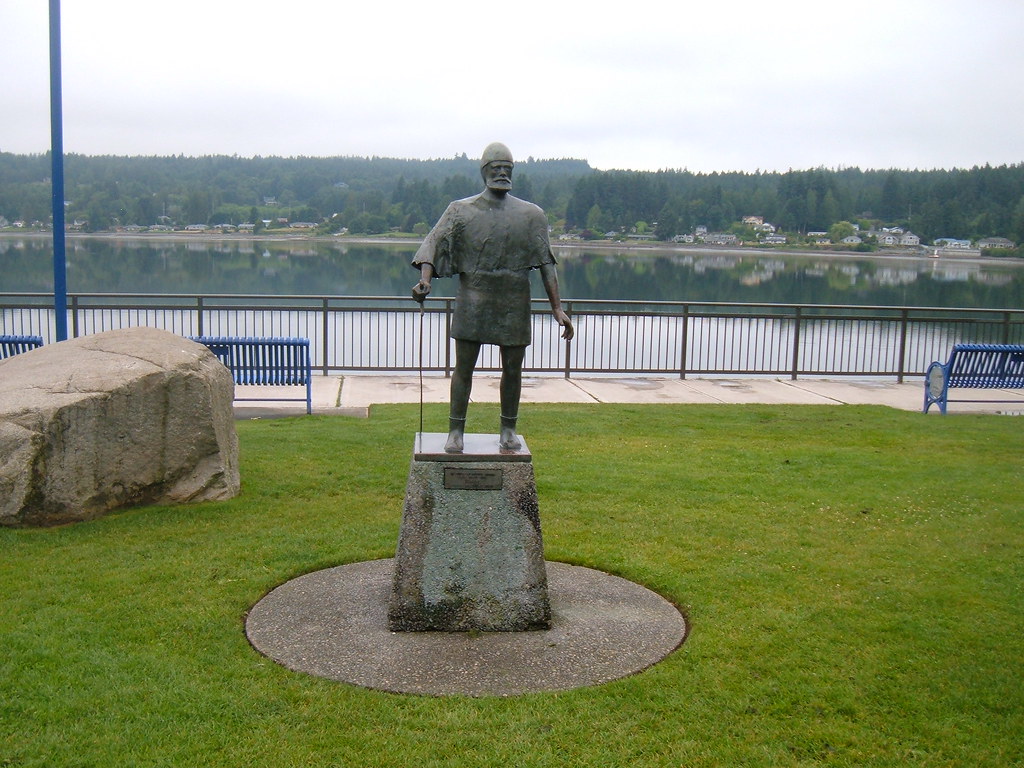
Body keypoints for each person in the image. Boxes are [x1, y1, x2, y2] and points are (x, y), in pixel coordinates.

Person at [412, 142, 573, 453]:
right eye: (496, 168)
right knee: (464, 368)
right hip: (473, 298)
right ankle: (455, 430)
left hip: (514, 302)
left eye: (507, 168)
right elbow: (433, 244)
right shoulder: (460, 210)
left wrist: (557, 308)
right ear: (484, 171)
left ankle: (508, 428)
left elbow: (546, 263)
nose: (502, 172)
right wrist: (424, 281)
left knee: (513, 369)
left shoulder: (531, 215)